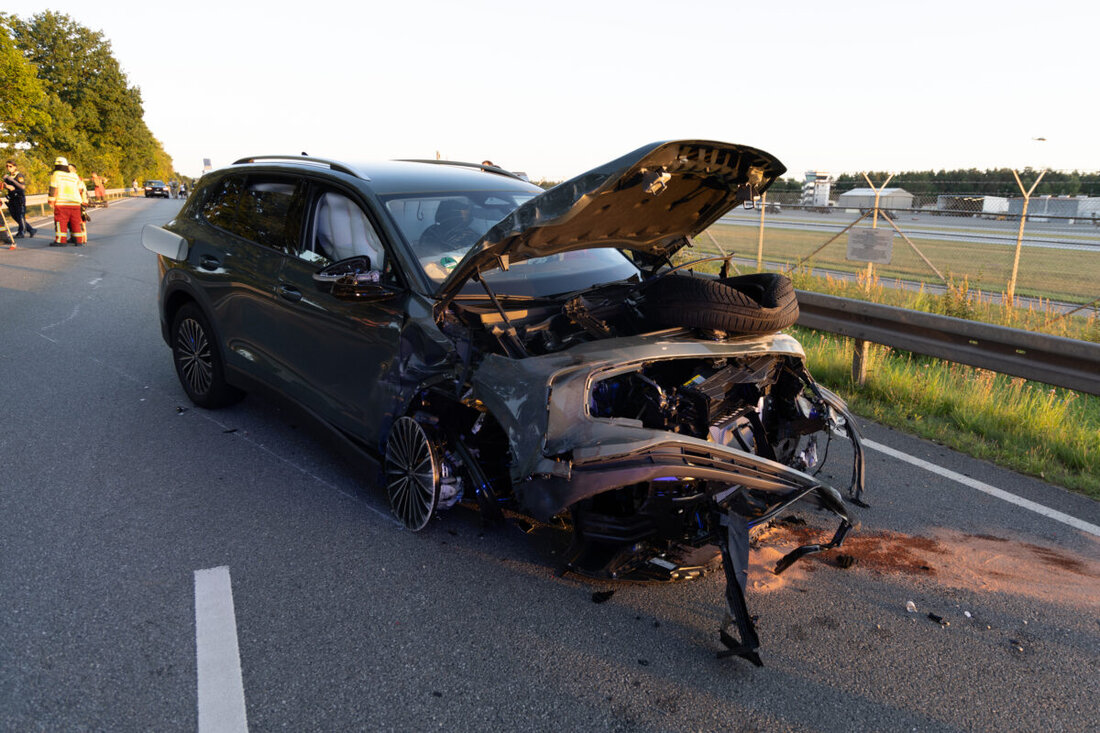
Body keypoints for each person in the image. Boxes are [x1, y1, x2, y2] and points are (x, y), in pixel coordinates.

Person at [48, 157, 89, 246]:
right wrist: (83, 201)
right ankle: (78, 241)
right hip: (75, 203)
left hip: (62, 203)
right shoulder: (74, 176)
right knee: (75, 222)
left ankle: (61, 241)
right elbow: (81, 189)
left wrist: (51, 201)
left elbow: (53, 189)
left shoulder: (56, 174)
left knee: (61, 222)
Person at [3, 160, 36, 238]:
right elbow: (7, 186)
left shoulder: (18, 175)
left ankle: (22, 232)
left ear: (15, 167)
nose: (8, 168)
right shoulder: (7, 176)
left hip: (19, 197)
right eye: (7, 166)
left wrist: (12, 181)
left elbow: (22, 187)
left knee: (20, 215)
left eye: (10, 166)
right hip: (12, 198)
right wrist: (5, 184)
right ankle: (31, 230)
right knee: (15, 216)